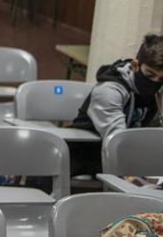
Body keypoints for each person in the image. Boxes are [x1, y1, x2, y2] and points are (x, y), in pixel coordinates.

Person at [68, 35, 163, 176]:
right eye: (150, 74)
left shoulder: (155, 94)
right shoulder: (109, 91)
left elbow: (153, 135)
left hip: (119, 159)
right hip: (81, 157)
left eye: (161, 79)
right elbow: (117, 142)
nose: (154, 82)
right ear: (135, 66)